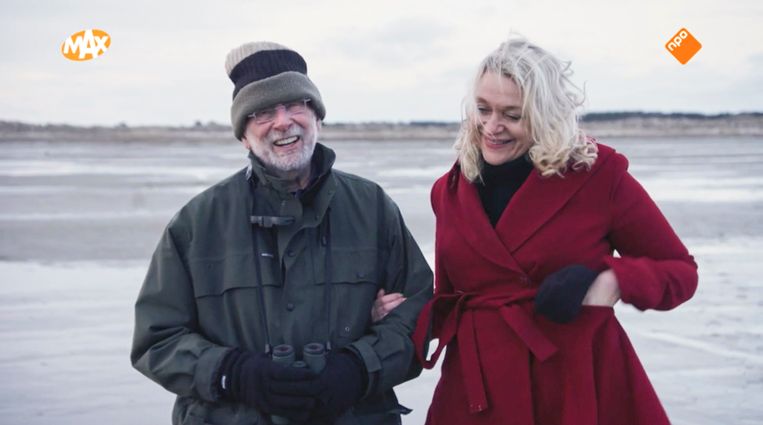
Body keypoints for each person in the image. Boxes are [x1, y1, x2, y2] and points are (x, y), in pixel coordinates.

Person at [131, 41, 433, 425]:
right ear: (243, 134)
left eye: (295, 105)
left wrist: (359, 368)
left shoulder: (371, 207)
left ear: (316, 117)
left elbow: (418, 313)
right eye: (262, 112)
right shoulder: (197, 223)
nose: (283, 121)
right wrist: (232, 372)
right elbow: (156, 340)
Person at [411, 36, 699, 424]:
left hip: (573, 383)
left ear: (545, 114)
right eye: (482, 109)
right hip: (479, 393)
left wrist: (611, 281)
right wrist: (408, 311)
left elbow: (680, 271)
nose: (491, 127)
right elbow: (452, 300)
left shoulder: (597, 177)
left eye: (512, 115)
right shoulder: (449, 190)